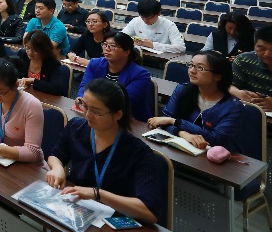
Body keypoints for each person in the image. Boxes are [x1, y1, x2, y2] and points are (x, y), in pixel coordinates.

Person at [46, 79, 165, 226]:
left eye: (96, 112)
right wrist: (57, 168)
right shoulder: (76, 127)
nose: (88, 114)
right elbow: (56, 154)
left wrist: (98, 194)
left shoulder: (138, 152)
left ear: (118, 115)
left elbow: (150, 212)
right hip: (75, 210)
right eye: (84, 106)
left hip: (113, 218)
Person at [147, 52, 242, 152]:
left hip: (217, 157)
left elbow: (215, 139)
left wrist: (176, 122)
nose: (192, 71)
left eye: (200, 68)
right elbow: (163, 120)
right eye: (191, 65)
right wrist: (182, 133)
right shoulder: (182, 89)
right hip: (183, 150)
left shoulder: (233, 107)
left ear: (218, 76)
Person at [76, 32, 155, 121]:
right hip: (95, 113)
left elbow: (124, 102)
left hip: (129, 119)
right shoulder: (95, 64)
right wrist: (81, 98)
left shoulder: (140, 74)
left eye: (113, 46)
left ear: (127, 52)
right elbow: (84, 87)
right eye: (105, 44)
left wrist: (90, 102)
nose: (107, 48)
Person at [14, 30, 70, 96]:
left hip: (43, 98)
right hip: (23, 95)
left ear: (43, 50)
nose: (30, 52)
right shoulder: (23, 55)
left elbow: (57, 89)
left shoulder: (52, 64)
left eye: (34, 50)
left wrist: (33, 81)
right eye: (28, 48)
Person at [121, 0, 185, 54]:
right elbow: (121, 37)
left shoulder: (169, 25)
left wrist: (153, 45)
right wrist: (131, 42)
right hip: (139, 56)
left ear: (159, 13)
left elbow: (181, 48)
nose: (145, 20)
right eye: (142, 16)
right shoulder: (136, 21)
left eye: (149, 17)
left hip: (161, 59)